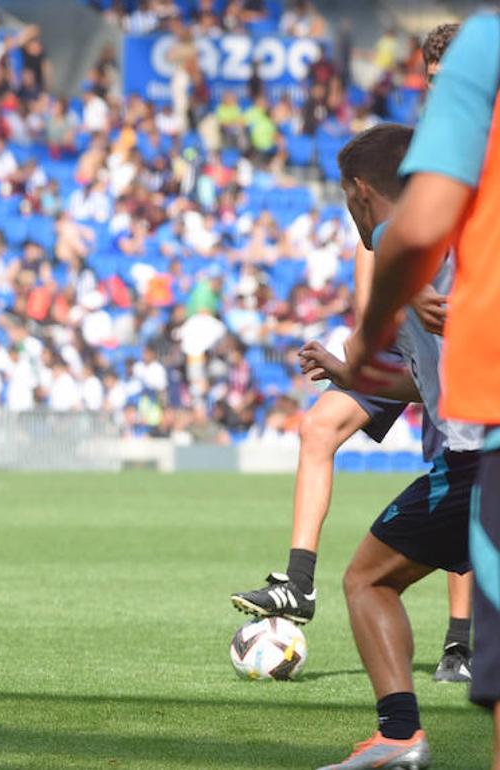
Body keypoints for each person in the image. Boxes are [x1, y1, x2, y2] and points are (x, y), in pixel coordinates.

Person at [230, 24, 473, 687]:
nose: (437, 81)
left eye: (450, 69)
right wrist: (362, 348)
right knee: (323, 426)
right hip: (403, 337)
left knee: (456, 472)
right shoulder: (409, 151)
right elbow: (385, 245)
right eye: (431, 70)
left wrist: (417, 288)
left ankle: (455, 648)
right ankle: (299, 583)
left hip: (455, 355)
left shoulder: (467, 152)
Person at [302, 123, 481, 770]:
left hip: (477, 459)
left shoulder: (405, 241)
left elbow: (405, 247)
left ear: (359, 192)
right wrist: (354, 377)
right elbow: (427, 376)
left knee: (367, 579)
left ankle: (399, 737)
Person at [351, 11, 500, 770]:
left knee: (367, 577)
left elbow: (413, 236)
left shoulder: (418, 209)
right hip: (469, 431)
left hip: (484, 442)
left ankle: (399, 734)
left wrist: (382, 315)